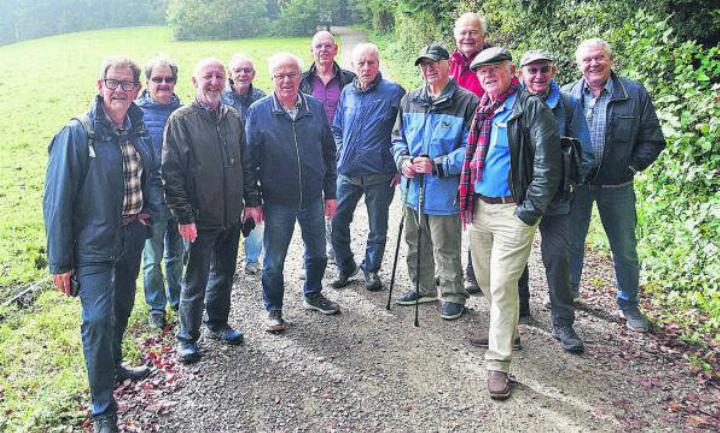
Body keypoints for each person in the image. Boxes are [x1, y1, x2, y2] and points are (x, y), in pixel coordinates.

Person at [44, 56, 162, 433]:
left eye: (128, 84)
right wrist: (60, 261)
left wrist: (149, 215)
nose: (119, 90)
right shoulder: (78, 133)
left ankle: (114, 367)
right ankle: (102, 410)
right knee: (96, 321)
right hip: (93, 247)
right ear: (100, 85)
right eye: (113, 83)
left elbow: (152, 176)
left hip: (131, 236)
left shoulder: (137, 129)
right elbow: (57, 200)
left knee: (123, 307)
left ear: (137, 91)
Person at [461, 47, 561, 398]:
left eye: (495, 69)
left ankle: (498, 363)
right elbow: (473, 156)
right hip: (479, 209)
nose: (488, 75)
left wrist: (527, 212)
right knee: (486, 280)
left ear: (511, 70)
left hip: (513, 212)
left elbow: (549, 168)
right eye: (482, 71)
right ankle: (510, 331)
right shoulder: (484, 108)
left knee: (503, 285)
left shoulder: (532, 109)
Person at [563, 38, 666, 333]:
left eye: (599, 58)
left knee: (625, 249)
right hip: (578, 185)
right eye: (587, 60)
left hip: (617, 185)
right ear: (578, 64)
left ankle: (629, 305)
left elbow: (653, 138)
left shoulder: (633, 93)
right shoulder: (568, 94)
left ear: (610, 59)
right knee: (572, 243)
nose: (593, 64)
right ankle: (569, 293)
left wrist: (631, 166)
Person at [244, 53, 341, 333]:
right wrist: (253, 200)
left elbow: (328, 152)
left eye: (292, 74)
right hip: (277, 201)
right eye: (280, 75)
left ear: (301, 76)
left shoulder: (315, 107)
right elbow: (249, 161)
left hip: (312, 198)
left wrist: (330, 193)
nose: (286, 80)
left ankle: (312, 294)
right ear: (272, 78)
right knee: (274, 261)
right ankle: (273, 309)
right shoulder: (259, 111)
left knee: (319, 254)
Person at [163, 58, 248, 363]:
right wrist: (184, 216)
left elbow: (246, 165)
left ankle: (218, 323)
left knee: (224, 274)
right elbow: (171, 173)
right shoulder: (181, 120)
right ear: (194, 81)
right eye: (207, 76)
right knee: (195, 279)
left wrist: (249, 202)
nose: (213, 82)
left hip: (230, 216)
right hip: (199, 219)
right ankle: (187, 336)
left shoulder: (233, 118)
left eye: (219, 76)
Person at [391, 43, 478, 320]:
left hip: (444, 190)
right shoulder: (409, 100)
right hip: (412, 189)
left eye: (433, 63)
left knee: (446, 246)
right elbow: (397, 139)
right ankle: (422, 287)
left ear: (448, 64)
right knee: (415, 242)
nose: (428, 69)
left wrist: (438, 165)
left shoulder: (467, 102)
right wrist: (403, 161)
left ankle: (454, 295)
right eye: (424, 65)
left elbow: (473, 149)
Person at [515, 49, 594, 352]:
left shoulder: (569, 106)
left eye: (543, 69)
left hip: (558, 199)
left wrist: (569, 183)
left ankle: (563, 322)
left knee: (558, 257)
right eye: (531, 70)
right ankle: (521, 307)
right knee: (516, 254)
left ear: (554, 70)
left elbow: (584, 153)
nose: (538, 76)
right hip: (520, 195)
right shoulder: (515, 103)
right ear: (521, 73)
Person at [330, 43, 406, 291]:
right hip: (348, 171)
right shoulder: (347, 93)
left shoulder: (394, 93)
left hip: (380, 173)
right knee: (338, 221)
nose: (366, 67)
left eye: (370, 62)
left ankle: (371, 270)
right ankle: (346, 266)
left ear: (378, 63)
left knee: (378, 227)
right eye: (360, 63)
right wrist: (342, 150)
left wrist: (399, 164)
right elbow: (337, 128)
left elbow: (404, 131)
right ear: (353, 66)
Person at [299, 30, 356, 264]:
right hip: (310, 149)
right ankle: (312, 254)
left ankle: (335, 251)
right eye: (318, 46)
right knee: (311, 204)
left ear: (336, 49)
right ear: (312, 50)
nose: (323, 50)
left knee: (335, 202)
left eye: (327, 46)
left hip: (341, 149)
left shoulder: (349, 79)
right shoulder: (302, 80)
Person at [137, 55, 183, 330]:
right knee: (152, 259)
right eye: (157, 79)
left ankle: (178, 300)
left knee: (177, 255)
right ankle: (156, 306)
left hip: (179, 196)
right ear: (147, 82)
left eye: (168, 79)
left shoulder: (185, 111)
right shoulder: (136, 113)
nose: (163, 84)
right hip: (150, 197)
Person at [449, 12, 492, 294]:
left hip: (483, 148)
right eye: (463, 32)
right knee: (449, 211)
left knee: (476, 215)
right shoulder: (448, 64)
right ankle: (448, 268)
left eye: (473, 32)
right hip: (453, 148)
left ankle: (473, 271)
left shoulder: (491, 63)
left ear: (483, 36)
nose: (468, 37)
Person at [220, 54, 266, 276]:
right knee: (228, 215)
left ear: (253, 74)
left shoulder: (261, 98)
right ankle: (227, 261)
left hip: (255, 164)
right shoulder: (219, 97)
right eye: (238, 70)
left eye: (247, 70)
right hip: (226, 166)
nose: (243, 74)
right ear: (230, 73)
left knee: (255, 213)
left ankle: (251, 260)